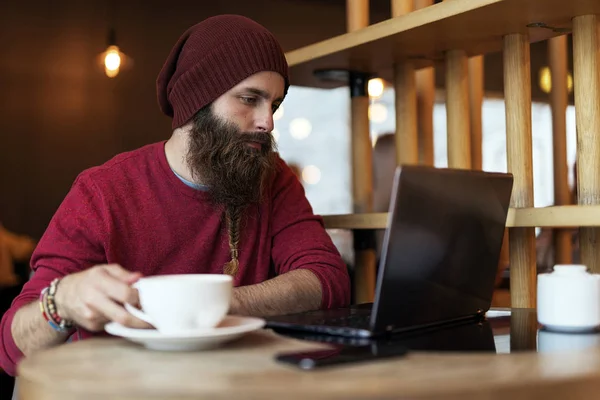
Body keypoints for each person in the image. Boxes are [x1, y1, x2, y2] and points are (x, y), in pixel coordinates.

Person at [0, 15, 350, 376]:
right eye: (249, 99)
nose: (268, 122)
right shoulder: (102, 191)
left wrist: (211, 303)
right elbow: (13, 350)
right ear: (197, 100)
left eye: (273, 105)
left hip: (243, 386)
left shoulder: (272, 178)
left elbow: (326, 278)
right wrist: (63, 302)